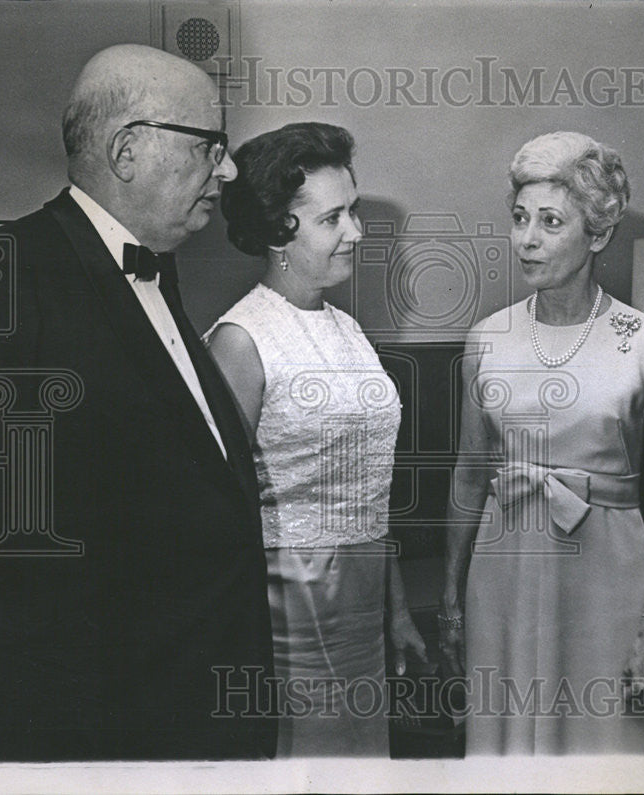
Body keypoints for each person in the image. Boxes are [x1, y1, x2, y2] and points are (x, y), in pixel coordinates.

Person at [0, 44, 276, 760]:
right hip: (105, 733)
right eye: (211, 145)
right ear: (128, 150)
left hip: (194, 713)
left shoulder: (158, 273)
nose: (230, 169)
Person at [439, 131, 644, 754]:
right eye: (520, 219)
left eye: (551, 222)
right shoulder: (486, 339)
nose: (528, 239)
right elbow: (470, 477)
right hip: (502, 574)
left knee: (608, 744)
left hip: (611, 578)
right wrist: (449, 600)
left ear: (598, 233)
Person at [206, 122, 427, 757]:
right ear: (280, 229)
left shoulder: (347, 330)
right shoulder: (240, 340)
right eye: (334, 218)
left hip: (361, 605)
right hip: (287, 610)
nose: (356, 231)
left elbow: (368, 493)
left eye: (353, 211)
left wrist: (398, 613)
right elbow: (216, 511)